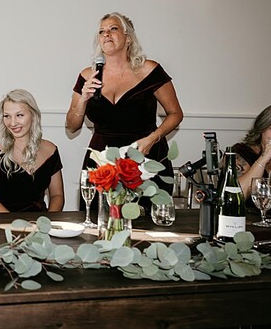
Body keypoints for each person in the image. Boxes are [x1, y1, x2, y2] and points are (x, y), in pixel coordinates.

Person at [66, 12, 183, 207]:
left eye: (113, 29)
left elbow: (176, 113)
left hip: (144, 157)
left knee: (145, 219)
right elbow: (71, 126)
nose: (106, 34)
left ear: (128, 38)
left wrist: (152, 139)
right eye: (102, 31)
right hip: (103, 163)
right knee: (100, 219)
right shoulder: (88, 75)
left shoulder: (149, 70)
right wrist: (83, 98)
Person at [0, 89, 65, 213]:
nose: (13, 123)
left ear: (33, 115)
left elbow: (57, 195)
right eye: (7, 116)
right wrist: (15, 224)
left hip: (41, 222)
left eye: (19, 115)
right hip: (4, 222)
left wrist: (49, 221)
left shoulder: (50, 150)